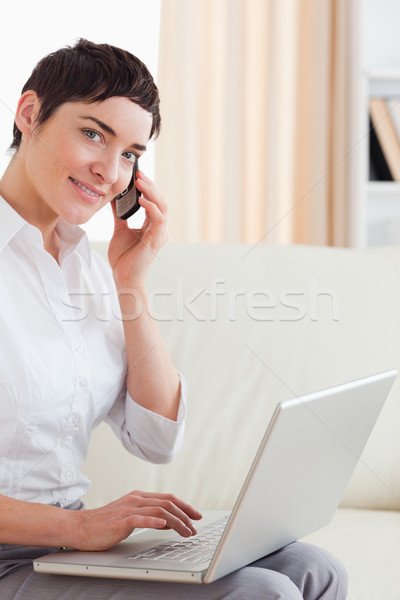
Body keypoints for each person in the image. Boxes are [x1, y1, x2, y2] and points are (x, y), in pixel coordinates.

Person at [0, 38, 348, 599]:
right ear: (30, 114)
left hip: (69, 545)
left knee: (312, 568)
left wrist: (130, 283)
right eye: (94, 133)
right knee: (263, 593)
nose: (110, 172)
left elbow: (156, 439)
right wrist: (78, 527)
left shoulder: (86, 268)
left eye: (131, 154)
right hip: (16, 557)